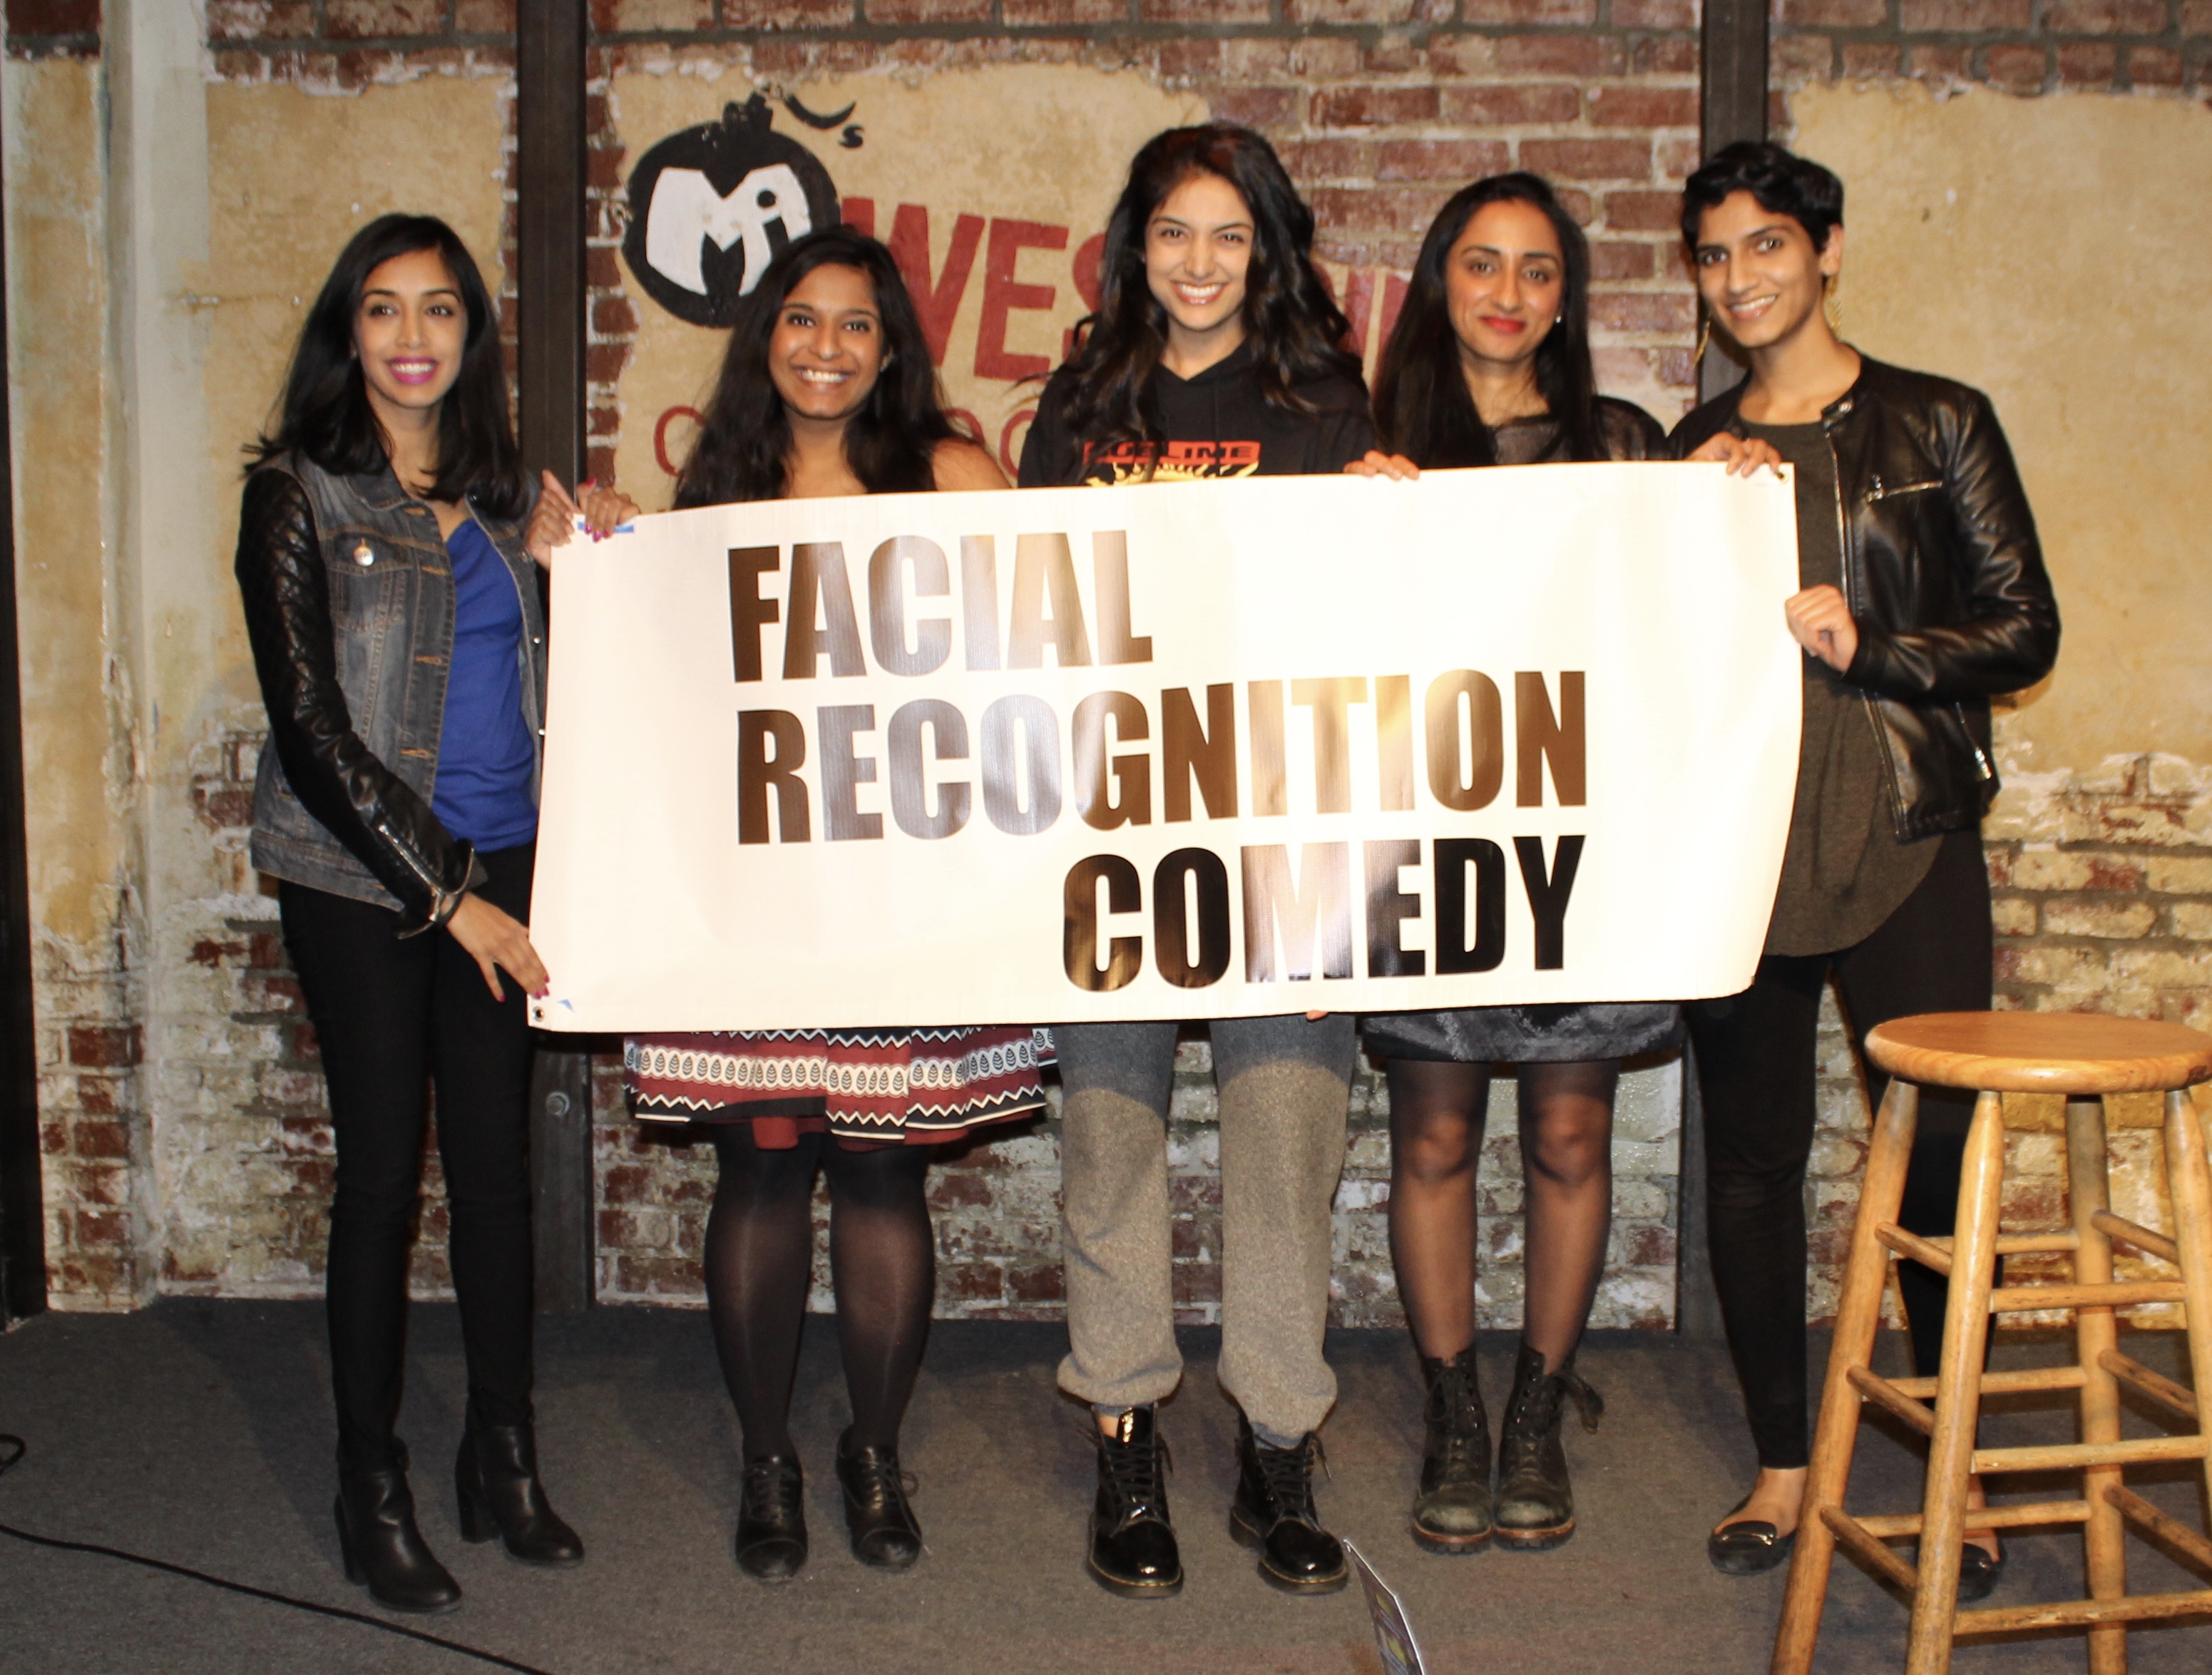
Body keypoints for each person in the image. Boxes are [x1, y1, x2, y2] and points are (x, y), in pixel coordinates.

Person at [589, 227, 1053, 1584]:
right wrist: (601, 554)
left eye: (856, 323)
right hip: (763, 893)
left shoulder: (953, 473)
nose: (827, 348)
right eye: (801, 319)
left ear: (891, 345)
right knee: (762, 1161)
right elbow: (671, 674)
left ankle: (874, 1451)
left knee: (882, 1165)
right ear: (765, 337)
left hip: (905, 887)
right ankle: (765, 1458)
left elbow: (1039, 654)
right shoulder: (717, 488)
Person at [1349, 173, 1773, 1556]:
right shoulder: (1375, 447)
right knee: (1433, 1135)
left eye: (1539, 270)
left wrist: (1731, 503)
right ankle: (1453, 1408)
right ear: (1441, 280)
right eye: (1483, 263)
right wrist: (1339, 520)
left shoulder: (1622, 444)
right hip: (1427, 832)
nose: (1510, 293)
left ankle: (1536, 1407)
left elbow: (1684, 616)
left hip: (1584, 839)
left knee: (1571, 1136)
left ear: (1566, 299)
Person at [1668, 143, 2059, 1597]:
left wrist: (1872, 642)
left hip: (1905, 834)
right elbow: (1647, 651)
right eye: (1715, 255)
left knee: (1940, 1165)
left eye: (1768, 245)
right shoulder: (1692, 446)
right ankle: (1783, 1460)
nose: (1742, 278)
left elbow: (2024, 626)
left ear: (1827, 251)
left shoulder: (1938, 419)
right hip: (1744, 845)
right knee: (1754, 1166)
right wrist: (1683, 518)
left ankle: (1959, 1466)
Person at [235, 213, 623, 1612]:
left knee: (498, 1170)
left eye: (441, 308)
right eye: (386, 308)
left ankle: (500, 1456)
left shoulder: (510, 498)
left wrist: (596, 562)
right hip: (362, 879)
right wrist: (449, 895)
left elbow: (561, 680)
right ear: (350, 331)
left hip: (509, 862)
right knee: (385, 1175)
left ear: (472, 332)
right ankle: (372, 1483)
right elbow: (313, 732)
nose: (414, 336)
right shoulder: (298, 497)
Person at [1018, 123, 1372, 1600]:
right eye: (1174, 231)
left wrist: (1398, 519)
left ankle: (1279, 1441)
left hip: (1283, 824)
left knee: (1286, 1138)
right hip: (1113, 821)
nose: (1201, 261)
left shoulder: (1324, 400)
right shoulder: (1081, 401)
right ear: (1136, 246)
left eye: (1231, 233)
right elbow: (1030, 611)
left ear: (1268, 250)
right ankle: (1124, 1431)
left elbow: (1367, 621)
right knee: (1110, 1136)